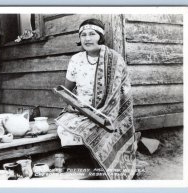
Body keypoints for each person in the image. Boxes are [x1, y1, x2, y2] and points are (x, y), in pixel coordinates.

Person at [55, 18, 137, 180]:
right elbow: (67, 91)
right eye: (83, 35)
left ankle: (104, 170)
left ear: (100, 36)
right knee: (65, 129)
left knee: (101, 129)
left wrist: (107, 111)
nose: (87, 38)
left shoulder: (114, 59)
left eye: (92, 34)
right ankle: (88, 162)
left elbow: (124, 92)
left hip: (110, 112)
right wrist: (71, 105)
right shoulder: (76, 60)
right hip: (82, 111)